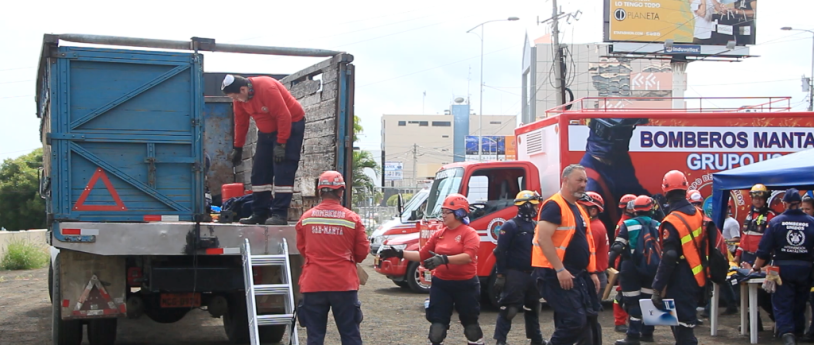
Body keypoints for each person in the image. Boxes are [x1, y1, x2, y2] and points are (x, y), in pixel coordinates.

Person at [379, 194, 484, 345]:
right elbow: (422, 255)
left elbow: (468, 256)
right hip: (442, 284)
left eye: (447, 212)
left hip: (465, 285)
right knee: (437, 330)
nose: (443, 215)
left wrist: (443, 259)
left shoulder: (469, 233)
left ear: (459, 213)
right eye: (442, 211)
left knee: (471, 327)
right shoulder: (439, 234)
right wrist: (400, 253)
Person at [295, 171, 369, 345]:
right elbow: (362, 251)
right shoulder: (352, 219)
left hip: (314, 283)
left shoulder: (306, 218)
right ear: (341, 191)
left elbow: (302, 248)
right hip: (343, 283)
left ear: (320, 191)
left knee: (315, 337)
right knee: (350, 335)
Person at [532, 164, 602, 345]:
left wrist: (591, 272)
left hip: (576, 273)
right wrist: (559, 269)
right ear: (565, 180)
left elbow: (585, 243)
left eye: (585, 180)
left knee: (587, 319)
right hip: (554, 273)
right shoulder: (554, 206)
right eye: (579, 180)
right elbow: (543, 238)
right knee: (574, 320)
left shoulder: (577, 209)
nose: (583, 184)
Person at [222, 74, 306, 225]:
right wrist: (238, 147)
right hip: (267, 131)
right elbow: (241, 123)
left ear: (243, 89)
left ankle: (279, 214)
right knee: (259, 171)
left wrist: (281, 144)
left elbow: (284, 116)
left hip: (290, 126)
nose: (234, 100)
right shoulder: (239, 100)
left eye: (235, 96)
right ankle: (259, 213)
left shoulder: (266, 88)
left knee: (283, 169)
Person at [651, 170, 714, 345]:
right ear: (685, 190)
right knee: (685, 326)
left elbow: (669, 256)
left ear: (665, 191)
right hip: (698, 277)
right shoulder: (699, 213)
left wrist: (657, 287)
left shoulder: (672, 221)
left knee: (683, 330)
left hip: (680, 280)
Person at [750, 189, 814, 345]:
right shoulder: (811, 222)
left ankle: (787, 334)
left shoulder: (776, 222)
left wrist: (755, 268)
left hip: (782, 270)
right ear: (799, 204)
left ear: (785, 203)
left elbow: (763, 250)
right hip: (805, 269)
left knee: (783, 303)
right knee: (800, 303)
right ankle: (797, 332)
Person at [492, 190, 546, 345]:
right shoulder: (510, 226)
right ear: (526, 206)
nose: (536, 208)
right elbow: (500, 252)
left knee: (533, 308)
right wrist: (500, 275)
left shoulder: (536, 226)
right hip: (515, 275)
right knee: (509, 309)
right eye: (534, 205)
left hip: (533, 274)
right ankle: (500, 341)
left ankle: (536, 339)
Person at [609, 195, 660, 345]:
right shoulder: (658, 225)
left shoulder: (628, 224)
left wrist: (609, 263)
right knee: (647, 301)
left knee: (633, 303)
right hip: (652, 268)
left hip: (630, 268)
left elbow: (618, 246)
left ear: (635, 209)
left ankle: (632, 337)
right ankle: (647, 333)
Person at [613, 194, 637, 333]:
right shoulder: (625, 224)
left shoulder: (627, 222)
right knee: (622, 293)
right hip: (623, 261)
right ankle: (620, 321)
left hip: (625, 261)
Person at [578, 191, 609, 299]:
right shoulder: (595, 225)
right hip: (596, 275)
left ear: (593, 210)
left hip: (594, 276)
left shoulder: (593, 228)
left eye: (582, 207)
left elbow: (585, 254)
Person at [737, 184, 777, 265]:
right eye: (755, 198)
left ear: (765, 199)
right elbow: (744, 236)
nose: (758, 201)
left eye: (760, 198)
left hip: (761, 257)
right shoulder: (749, 215)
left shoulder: (770, 216)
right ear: (751, 199)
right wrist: (738, 255)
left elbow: (772, 239)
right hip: (746, 255)